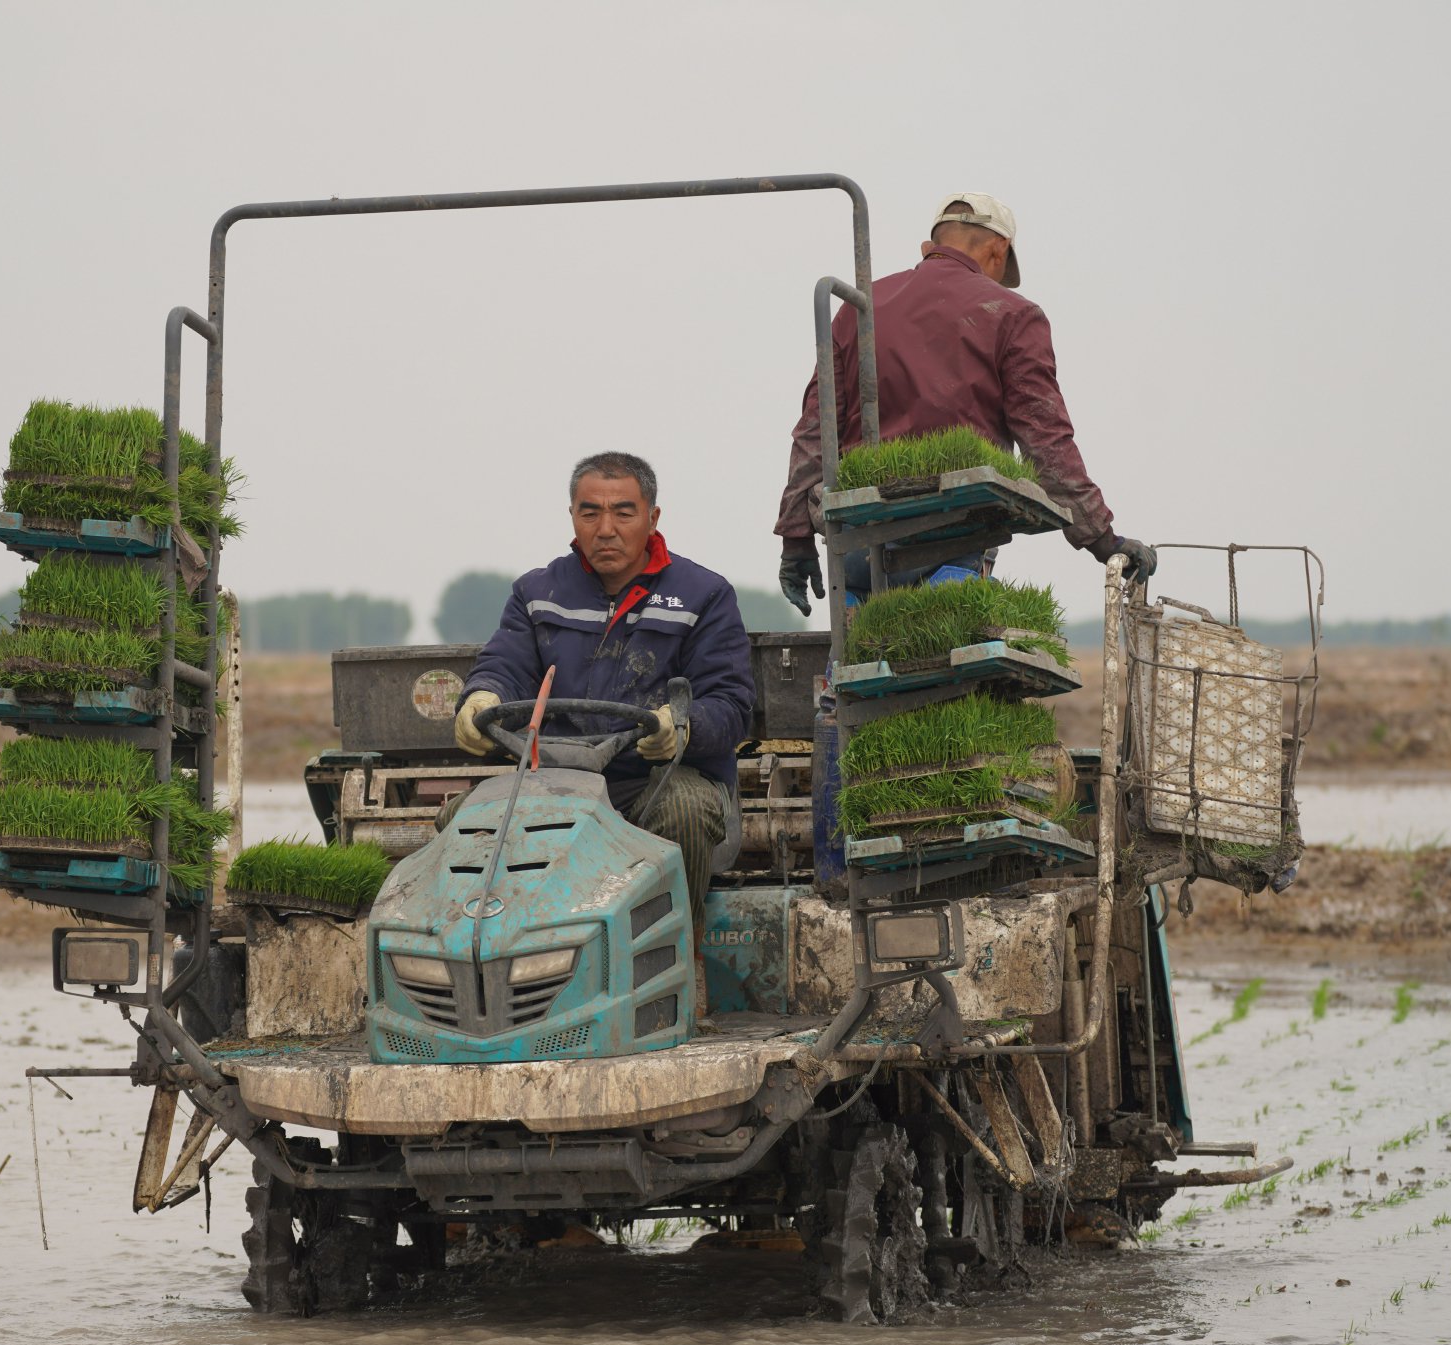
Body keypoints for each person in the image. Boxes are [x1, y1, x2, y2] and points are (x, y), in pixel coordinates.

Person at [453, 451, 755, 1017]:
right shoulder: (536, 592)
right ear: (571, 516)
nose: (606, 529)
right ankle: (485, 987)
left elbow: (732, 704)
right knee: (462, 821)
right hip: (556, 786)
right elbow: (503, 663)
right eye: (590, 513)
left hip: (656, 783)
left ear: (653, 517)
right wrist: (480, 700)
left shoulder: (704, 595)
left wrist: (678, 728)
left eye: (623, 512)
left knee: (687, 809)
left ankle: (674, 972)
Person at [775, 192, 1157, 613]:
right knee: (943, 664)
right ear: (999, 249)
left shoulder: (857, 308)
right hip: (953, 539)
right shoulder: (1013, 314)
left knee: (856, 668)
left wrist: (796, 539)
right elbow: (1047, 440)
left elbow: (814, 430)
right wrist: (1104, 541)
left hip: (856, 542)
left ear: (930, 248)